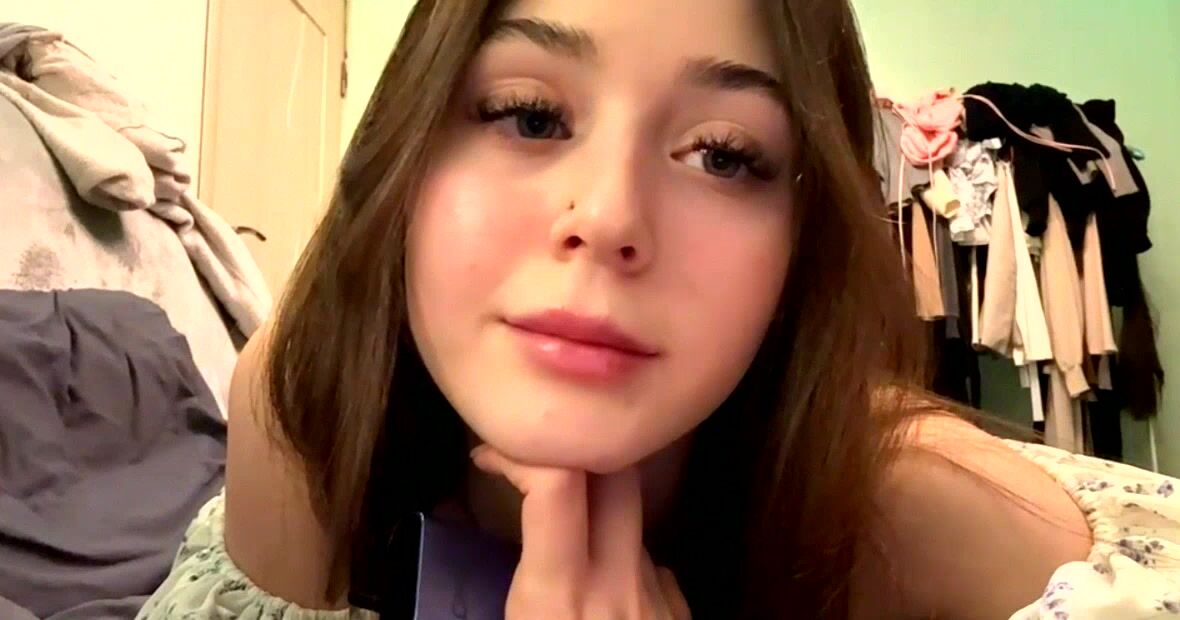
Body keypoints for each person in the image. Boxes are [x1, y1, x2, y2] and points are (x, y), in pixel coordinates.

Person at [138, 1, 1180, 618]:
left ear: (800, 252)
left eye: (723, 155)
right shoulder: (308, 409)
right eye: (529, 116)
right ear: (402, 156)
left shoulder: (922, 514)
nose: (608, 216)